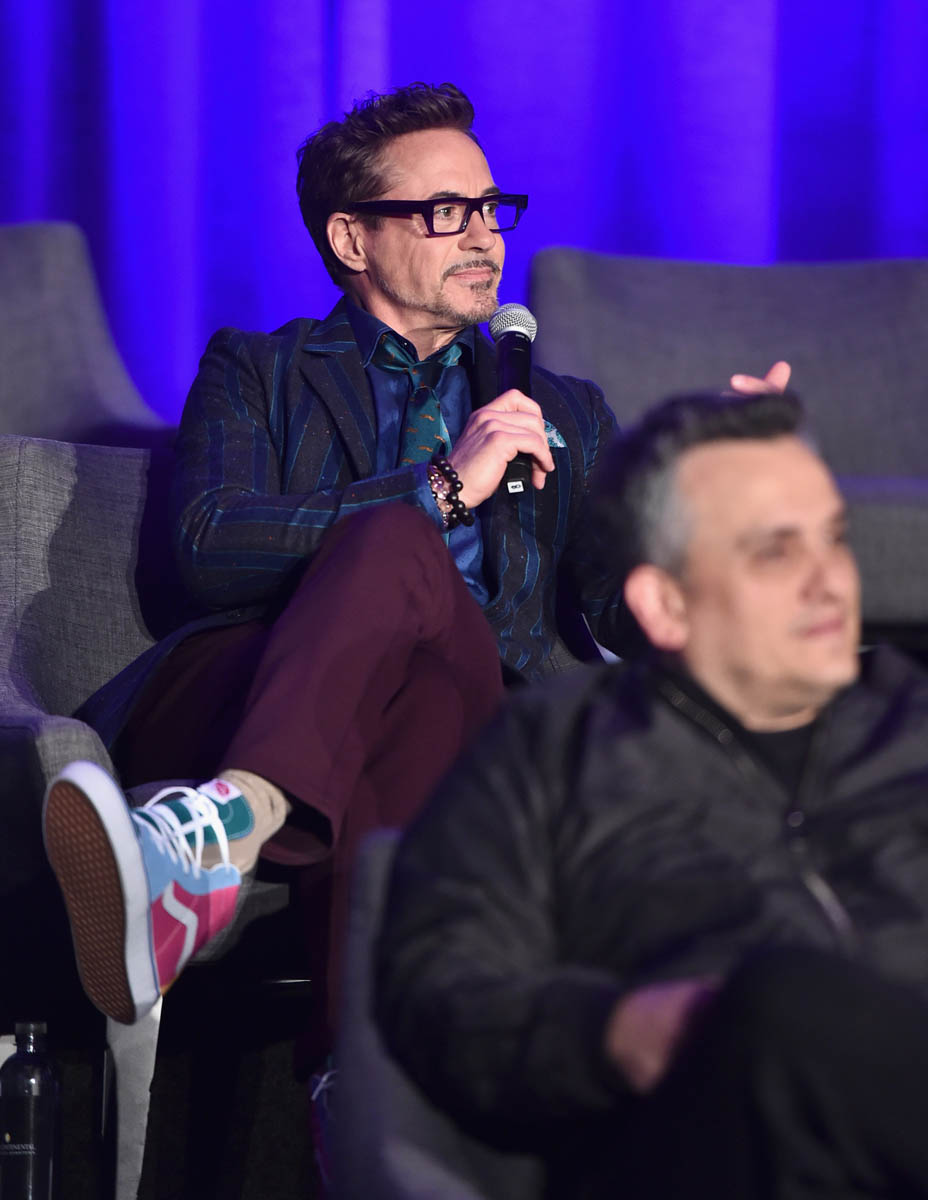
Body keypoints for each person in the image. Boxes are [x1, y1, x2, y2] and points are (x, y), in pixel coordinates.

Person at [41, 82, 785, 1036]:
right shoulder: (259, 370)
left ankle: (226, 836)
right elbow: (210, 546)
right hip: (248, 685)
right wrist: (440, 488)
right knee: (401, 576)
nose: (482, 237)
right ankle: (357, 1087)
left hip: (482, 703)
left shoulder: (565, 413)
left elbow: (623, 609)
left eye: (490, 208)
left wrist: (711, 498)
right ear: (352, 240)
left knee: (432, 687)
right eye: (444, 211)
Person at [376, 389, 928, 1199]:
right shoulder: (551, 750)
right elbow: (438, 990)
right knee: (778, 1003)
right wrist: (613, 1030)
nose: (831, 583)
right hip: (701, 1144)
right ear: (666, 605)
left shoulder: (910, 719)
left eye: (835, 539)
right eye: (776, 552)